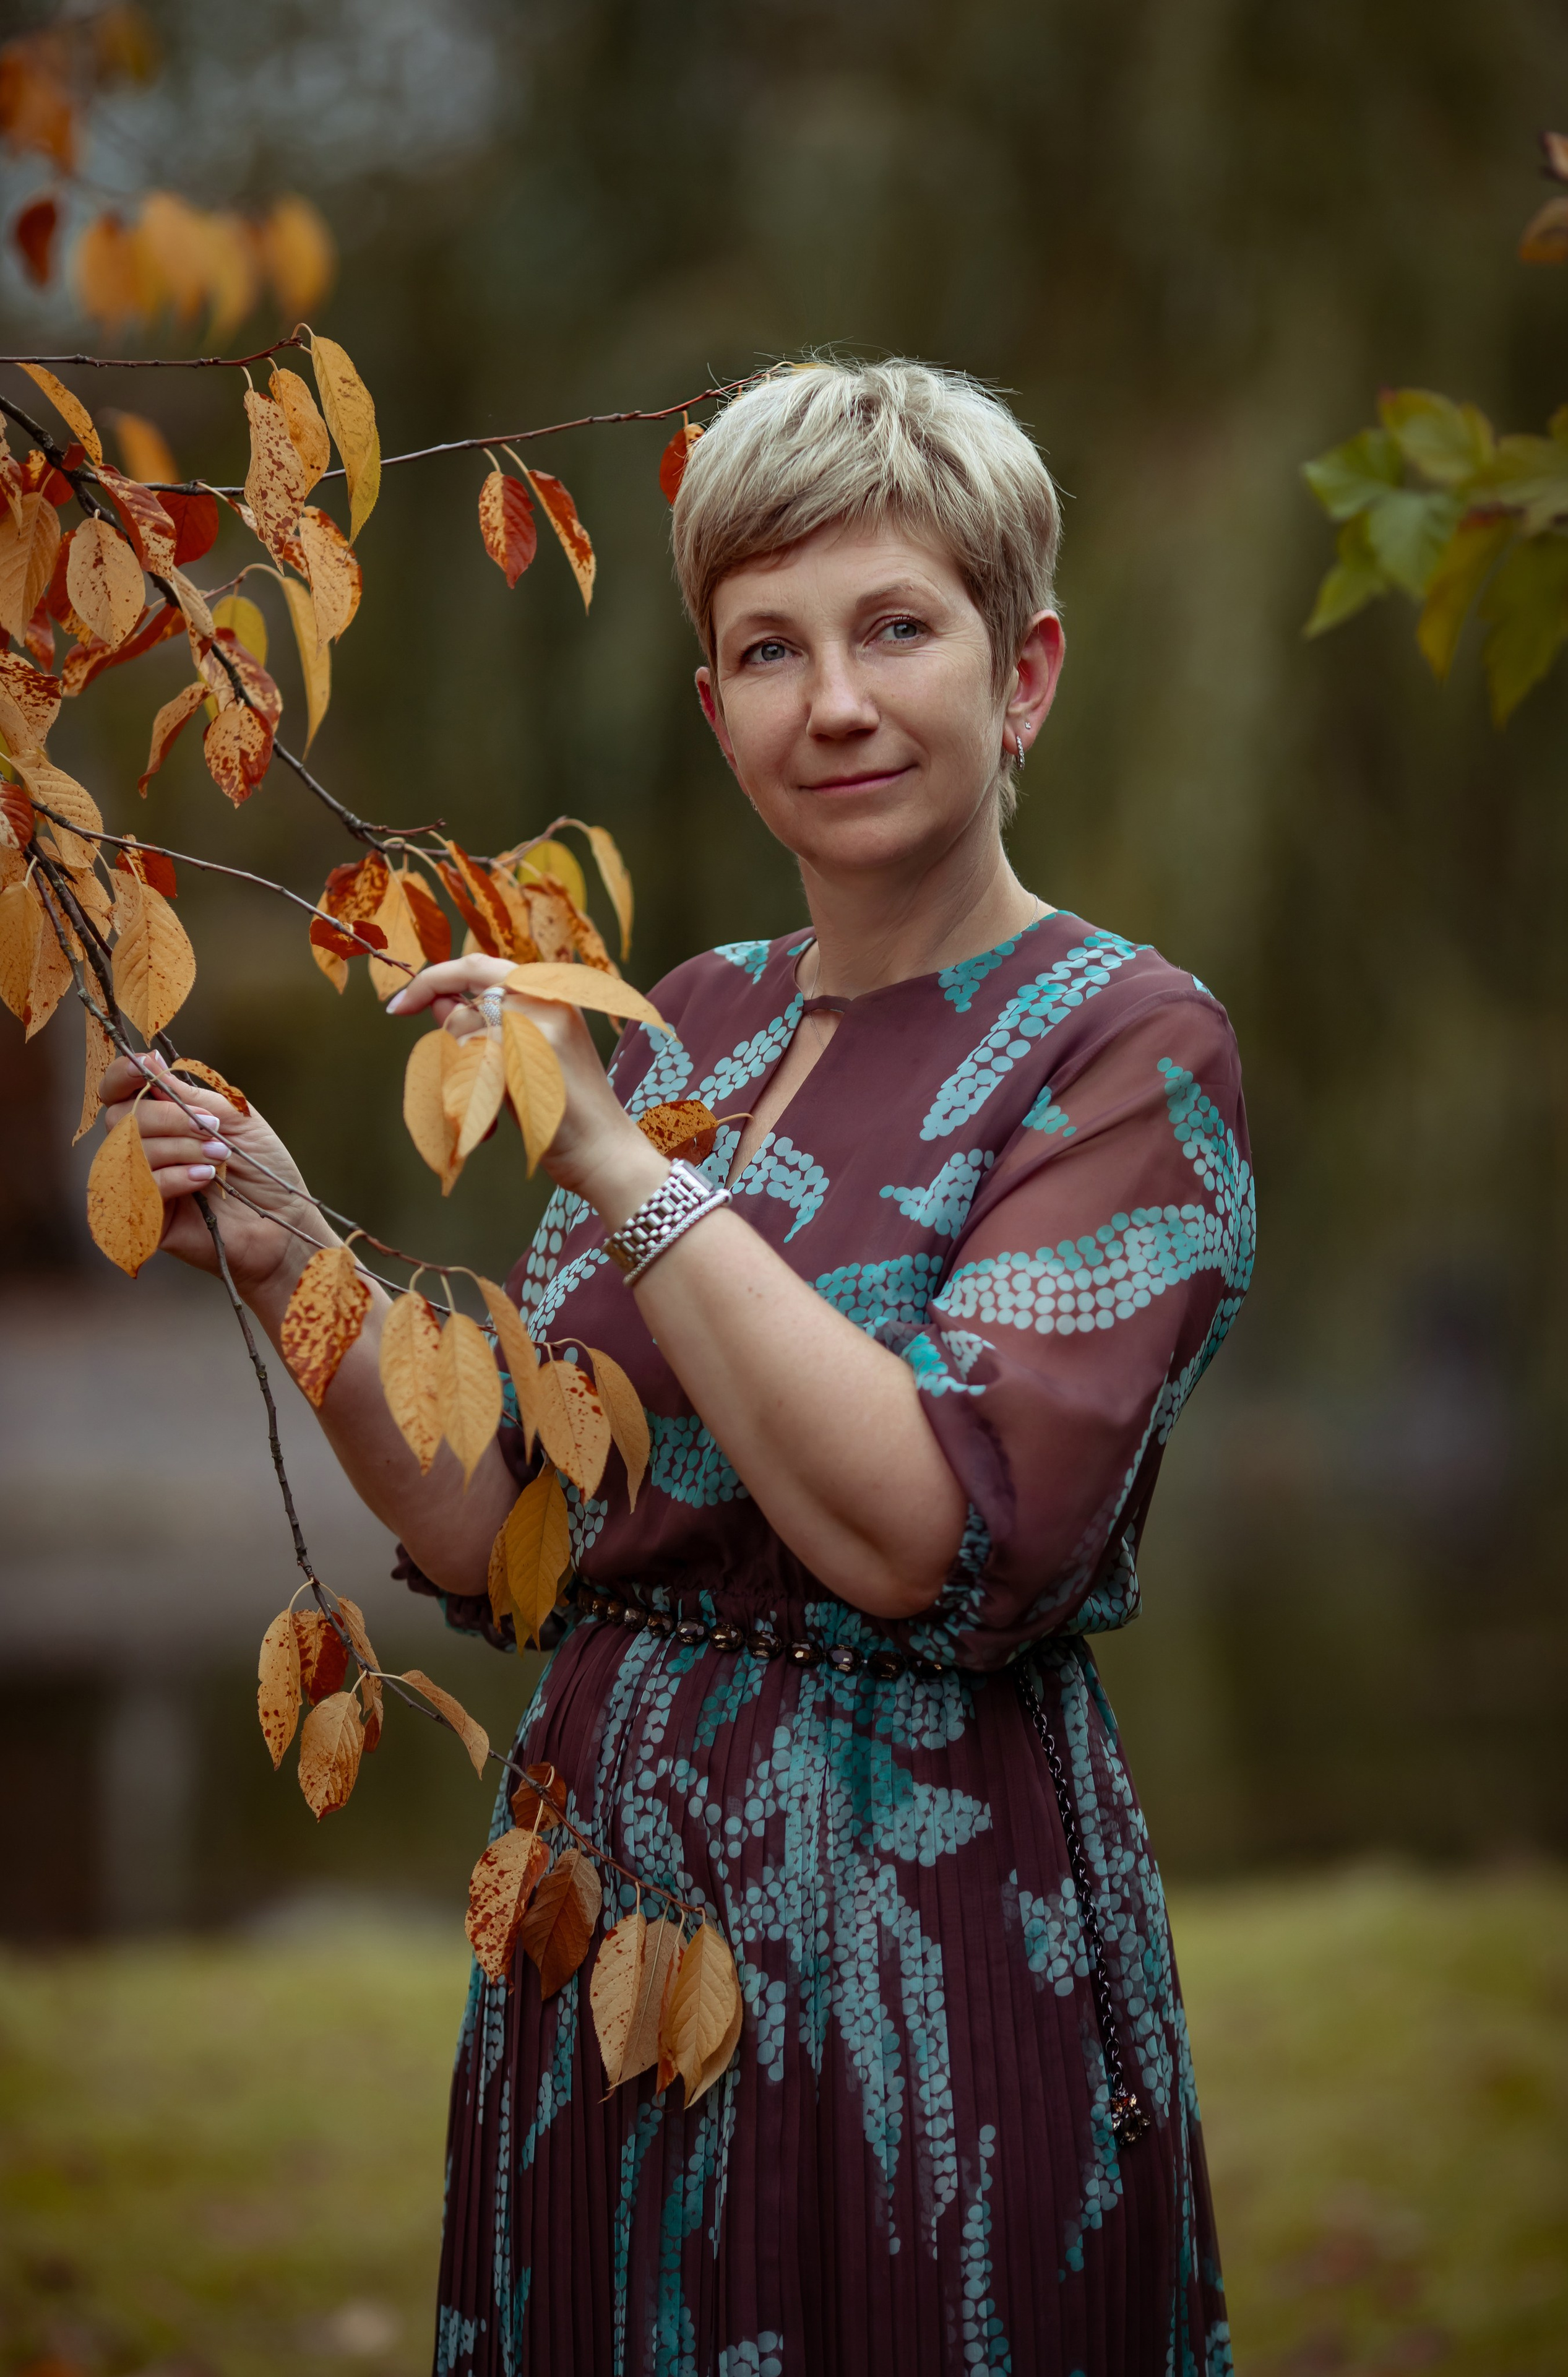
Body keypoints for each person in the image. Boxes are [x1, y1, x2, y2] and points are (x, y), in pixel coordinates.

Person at [101, 358, 1252, 2376]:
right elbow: (513, 1525)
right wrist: (294, 1255)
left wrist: (614, 1160)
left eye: (899, 627)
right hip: (597, 1927)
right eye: (765, 647)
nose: (836, 700)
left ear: (1028, 668)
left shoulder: (1124, 1046)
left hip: (932, 1946)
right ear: (712, 705)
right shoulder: (696, 1014)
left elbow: (937, 1532)